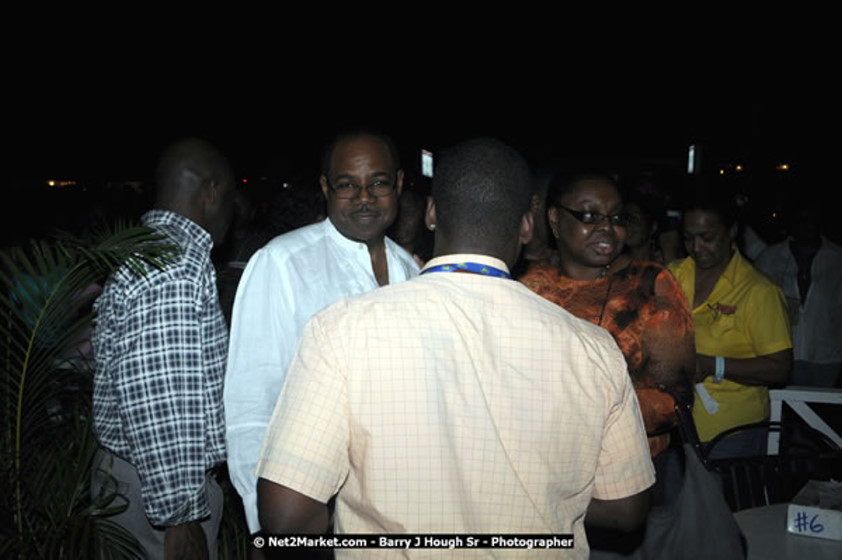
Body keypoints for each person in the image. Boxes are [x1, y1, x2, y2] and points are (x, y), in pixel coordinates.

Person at [256, 138, 655, 558]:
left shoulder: (342, 330)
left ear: (431, 213)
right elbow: (626, 508)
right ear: (526, 225)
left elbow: (286, 516)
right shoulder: (592, 349)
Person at [224, 130, 420, 536]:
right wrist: (264, 523)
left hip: (400, 507)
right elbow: (252, 403)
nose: (364, 197)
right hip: (313, 511)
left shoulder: (414, 273)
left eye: (378, 183)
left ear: (399, 184)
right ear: (326, 187)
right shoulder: (282, 263)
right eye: (348, 185)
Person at [91, 138, 235, 559]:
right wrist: (180, 516)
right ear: (211, 191)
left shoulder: (150, 248)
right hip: (159, 492)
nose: (234, 212)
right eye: (230, 196)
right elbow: (162, 399)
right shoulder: (174, 264)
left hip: (136, 478)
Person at [519, 169, 695, 459]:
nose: (607, 228)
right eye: (589, 216)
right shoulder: (528, 282)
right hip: (540, 462)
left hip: (624, 471)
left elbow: (676, 402)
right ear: (554, 219)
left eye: (616, 218)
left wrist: (582, 409)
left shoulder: (649, 285)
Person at [668, 187, 793, 458]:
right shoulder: (676, 273)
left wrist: (714, 365)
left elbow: (780, 368)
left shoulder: (758, 292)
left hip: (731, 432)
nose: (696, 248)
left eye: (707, 237)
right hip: (677, 427)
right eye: (689, 238)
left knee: (725, 500)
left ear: (732, 231)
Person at [755, 200, 842, 388]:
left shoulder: (837, 259)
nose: (806, 224)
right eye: (800, 219)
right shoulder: (770, 257)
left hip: (828, 356)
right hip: (781, 353)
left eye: (810, 219)